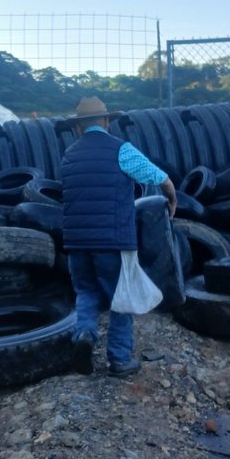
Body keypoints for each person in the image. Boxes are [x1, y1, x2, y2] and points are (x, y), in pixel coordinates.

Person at [60, 96, 176, 377]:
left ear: (77, 127)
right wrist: (172, 200)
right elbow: (159, 177)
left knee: (86, 292)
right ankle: (120, 359)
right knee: (120, 299)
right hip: (112, 241)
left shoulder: (70, 155)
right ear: (107, 121)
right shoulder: (120, 150)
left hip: (76, 243)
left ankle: (84, 335)